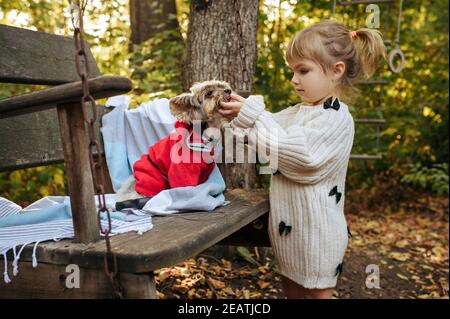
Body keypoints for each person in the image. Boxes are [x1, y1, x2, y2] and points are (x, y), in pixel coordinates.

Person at [219, 20, 386, 299]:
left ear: (336, 71)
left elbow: (302, 160)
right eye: (293, 71)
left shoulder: (336, 118)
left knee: (317, 295)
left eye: (303, 70)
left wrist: (254, 116)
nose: (294, 79)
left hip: (318, 235)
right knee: (293, 293)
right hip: (288, 234)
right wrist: (238, 115)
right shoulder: (297, 112)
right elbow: (261, 132)